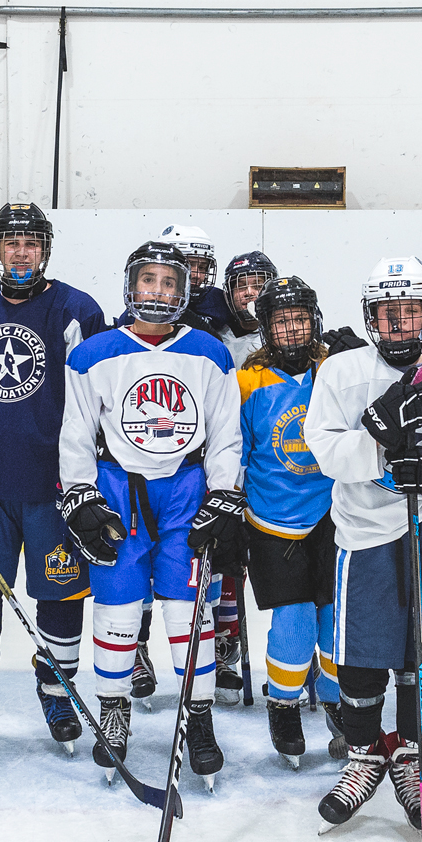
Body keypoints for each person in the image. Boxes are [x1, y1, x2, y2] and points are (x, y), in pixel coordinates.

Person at [305, 255, 422, 833]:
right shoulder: (341, 371)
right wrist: (378, 449)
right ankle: (365, 756)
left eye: (411, 312)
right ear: (371, 317)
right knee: (363, 653)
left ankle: (412, 757)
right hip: (363, 535)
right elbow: (323, 445)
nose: (400, 324)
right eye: (389, 314)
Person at [61, 241, 243, 791]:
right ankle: (115, 710)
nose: (159, 292)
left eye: (170, 282)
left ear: (185, 290)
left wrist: (225, 493)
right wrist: (79, 494)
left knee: (188, 614)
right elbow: (75, 433)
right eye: (149, 281)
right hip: (119, 488)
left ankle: (200, 715)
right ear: (130, 285)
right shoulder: (93, 354)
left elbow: (226, 432)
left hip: (187, 488)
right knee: (117, 606)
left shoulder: (210, 352)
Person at [0, 203, 108, 751]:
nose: (21, 252)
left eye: (31, 242)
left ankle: (56, 688)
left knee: (61, 588)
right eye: (12, 243)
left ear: (45, 250)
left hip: (55, 486)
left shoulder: (76, 310)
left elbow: (90, 403)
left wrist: (85, 481)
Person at [234, 276, 342, 765]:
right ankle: (284, 704)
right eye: (282, 321)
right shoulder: (247, 380)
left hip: (336, 515)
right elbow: (232, 448)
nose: (293, 329)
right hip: (274, 519)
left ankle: (342, 705)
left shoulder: (333, 368)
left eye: (300, 319)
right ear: (266, 328)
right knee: (293, 620)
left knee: (335, 618)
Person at [212, 249, 277, 703]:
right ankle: (223, 643)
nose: (251, 293)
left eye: (259, 284)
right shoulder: (212, 339)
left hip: (280, 469)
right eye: (241, 285)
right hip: (226, 464)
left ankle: (297, 658)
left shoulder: (294, 334)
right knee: (225, 560)